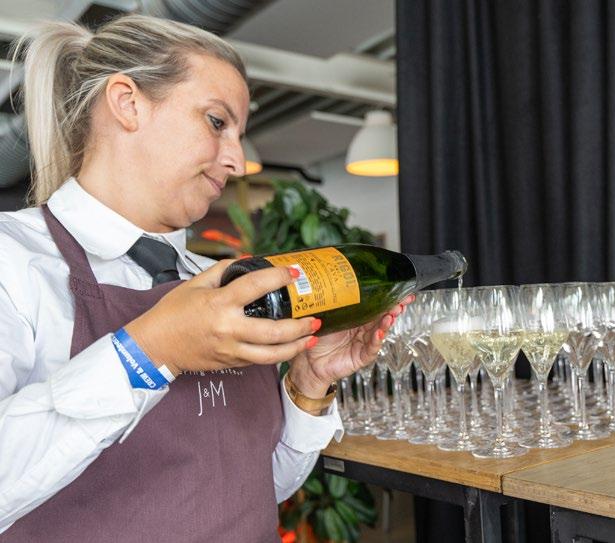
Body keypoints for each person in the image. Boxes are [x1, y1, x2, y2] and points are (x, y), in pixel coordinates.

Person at [0, 14, 412, 542]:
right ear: (127, 103)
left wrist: (310, 385)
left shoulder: (220, 282)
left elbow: (260, 487)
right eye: (217, 122)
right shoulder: (15, 261)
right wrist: (151, 349)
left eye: (239, 134)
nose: (237, 160)